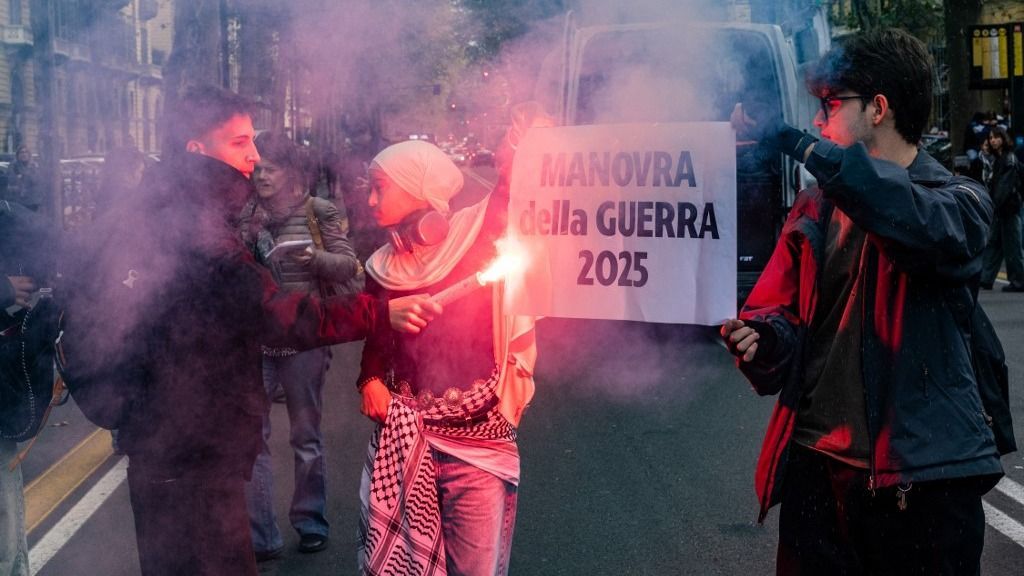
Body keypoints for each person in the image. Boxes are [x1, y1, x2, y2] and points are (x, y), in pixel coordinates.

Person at [57, 85, 440, 576]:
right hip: (191, 449)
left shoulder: (160, 210)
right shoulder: (192, 228)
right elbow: (276, 315)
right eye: (239, 143)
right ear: (196, 149)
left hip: (168, 443)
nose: (255, 157)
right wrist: (375, 313)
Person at [721, 29, 1002, 575]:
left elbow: (909, 220)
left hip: (922, 481)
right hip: (816, 473)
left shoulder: (960, 201)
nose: (820, 121)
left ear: (878, 109)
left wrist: (798, 144)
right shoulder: (815, 204)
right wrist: (764, 340)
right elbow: (779, 311)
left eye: (830, 105)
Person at [356, 138, 538, 576]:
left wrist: (522, 153)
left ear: (419, 189)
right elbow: (376, 331)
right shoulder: (381, 265)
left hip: (478, 447)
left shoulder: (477, 233)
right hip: (406, 438)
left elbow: (512, 194)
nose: (370, 199)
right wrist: (370, 377)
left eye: (380, 187)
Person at [240, 131, 362, 559]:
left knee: (305, 436)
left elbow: (349, 265)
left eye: (270, 168)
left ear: (291, 172)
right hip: (260, 340)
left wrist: (315, 260)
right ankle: (262, 535)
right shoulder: (247, 214)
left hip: (305, 340)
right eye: (257, 168)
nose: (261, 175)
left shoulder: (318, 211)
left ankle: (310, 520)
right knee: (253, 438)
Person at [980, 125, 1024, 292]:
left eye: (996, 137)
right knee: (995, 244)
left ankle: (1018, 281)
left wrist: (994, 203)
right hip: (1002, 208)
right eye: (991, 138)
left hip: (1009, 208)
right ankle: (986, 278)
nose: (993, 140)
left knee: (1011, 246)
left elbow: (1004, 186)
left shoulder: (1008, 159)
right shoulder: (1000, 159)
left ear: (1003, 139)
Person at [1, 146, 40, 212]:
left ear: (29, 154)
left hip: (32, 201)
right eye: (21, 152)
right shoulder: (13, 167)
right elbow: (8, 183)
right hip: (16, 201)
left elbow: (37, 182)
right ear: (18, 154)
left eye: (26, 152)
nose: (24, 154)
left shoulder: (34, 167)